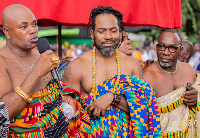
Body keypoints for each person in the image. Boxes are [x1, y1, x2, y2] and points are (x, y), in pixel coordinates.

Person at [62, 5, 162, 137]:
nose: (108, 36)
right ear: (92, 34)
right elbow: (68, 118)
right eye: (101, 31)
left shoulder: (132, 65)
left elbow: (142, 112)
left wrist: (113, 98)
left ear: (120, 33)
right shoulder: (75, 67)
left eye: (113, 31)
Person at [0, 4, 90, 137]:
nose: (33, 30)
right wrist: (37, 72)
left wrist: (65, 97)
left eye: (34, 24)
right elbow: (4, 114)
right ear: (7, 32)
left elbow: (53, 92)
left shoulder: (41, 53)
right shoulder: (2, 62)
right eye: (24, 27)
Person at [143, 29, 200, 137]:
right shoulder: (147, 76)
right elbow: (139, 115)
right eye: (162, 46)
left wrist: (196, 97)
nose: (165, 52)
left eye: (172, 48)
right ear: (156, 48)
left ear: (181, 50)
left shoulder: (189, 70)